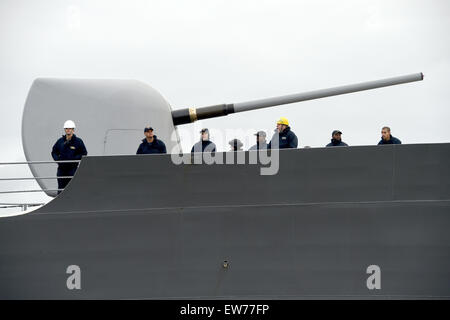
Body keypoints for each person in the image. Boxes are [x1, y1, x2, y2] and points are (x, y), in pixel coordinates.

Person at [51, 120, 87, 194]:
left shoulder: (78, 141)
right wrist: (58, 160)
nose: (68, 130)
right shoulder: (60, 141)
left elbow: (84, 153)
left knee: (73, 189)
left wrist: (74, 159)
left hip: (72, 170)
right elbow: (54, 152)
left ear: (73, 130)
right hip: (61, 170)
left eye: (70, 128)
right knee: (61, 190)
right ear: (64, 130)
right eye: (66, 128)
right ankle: (61, 204)